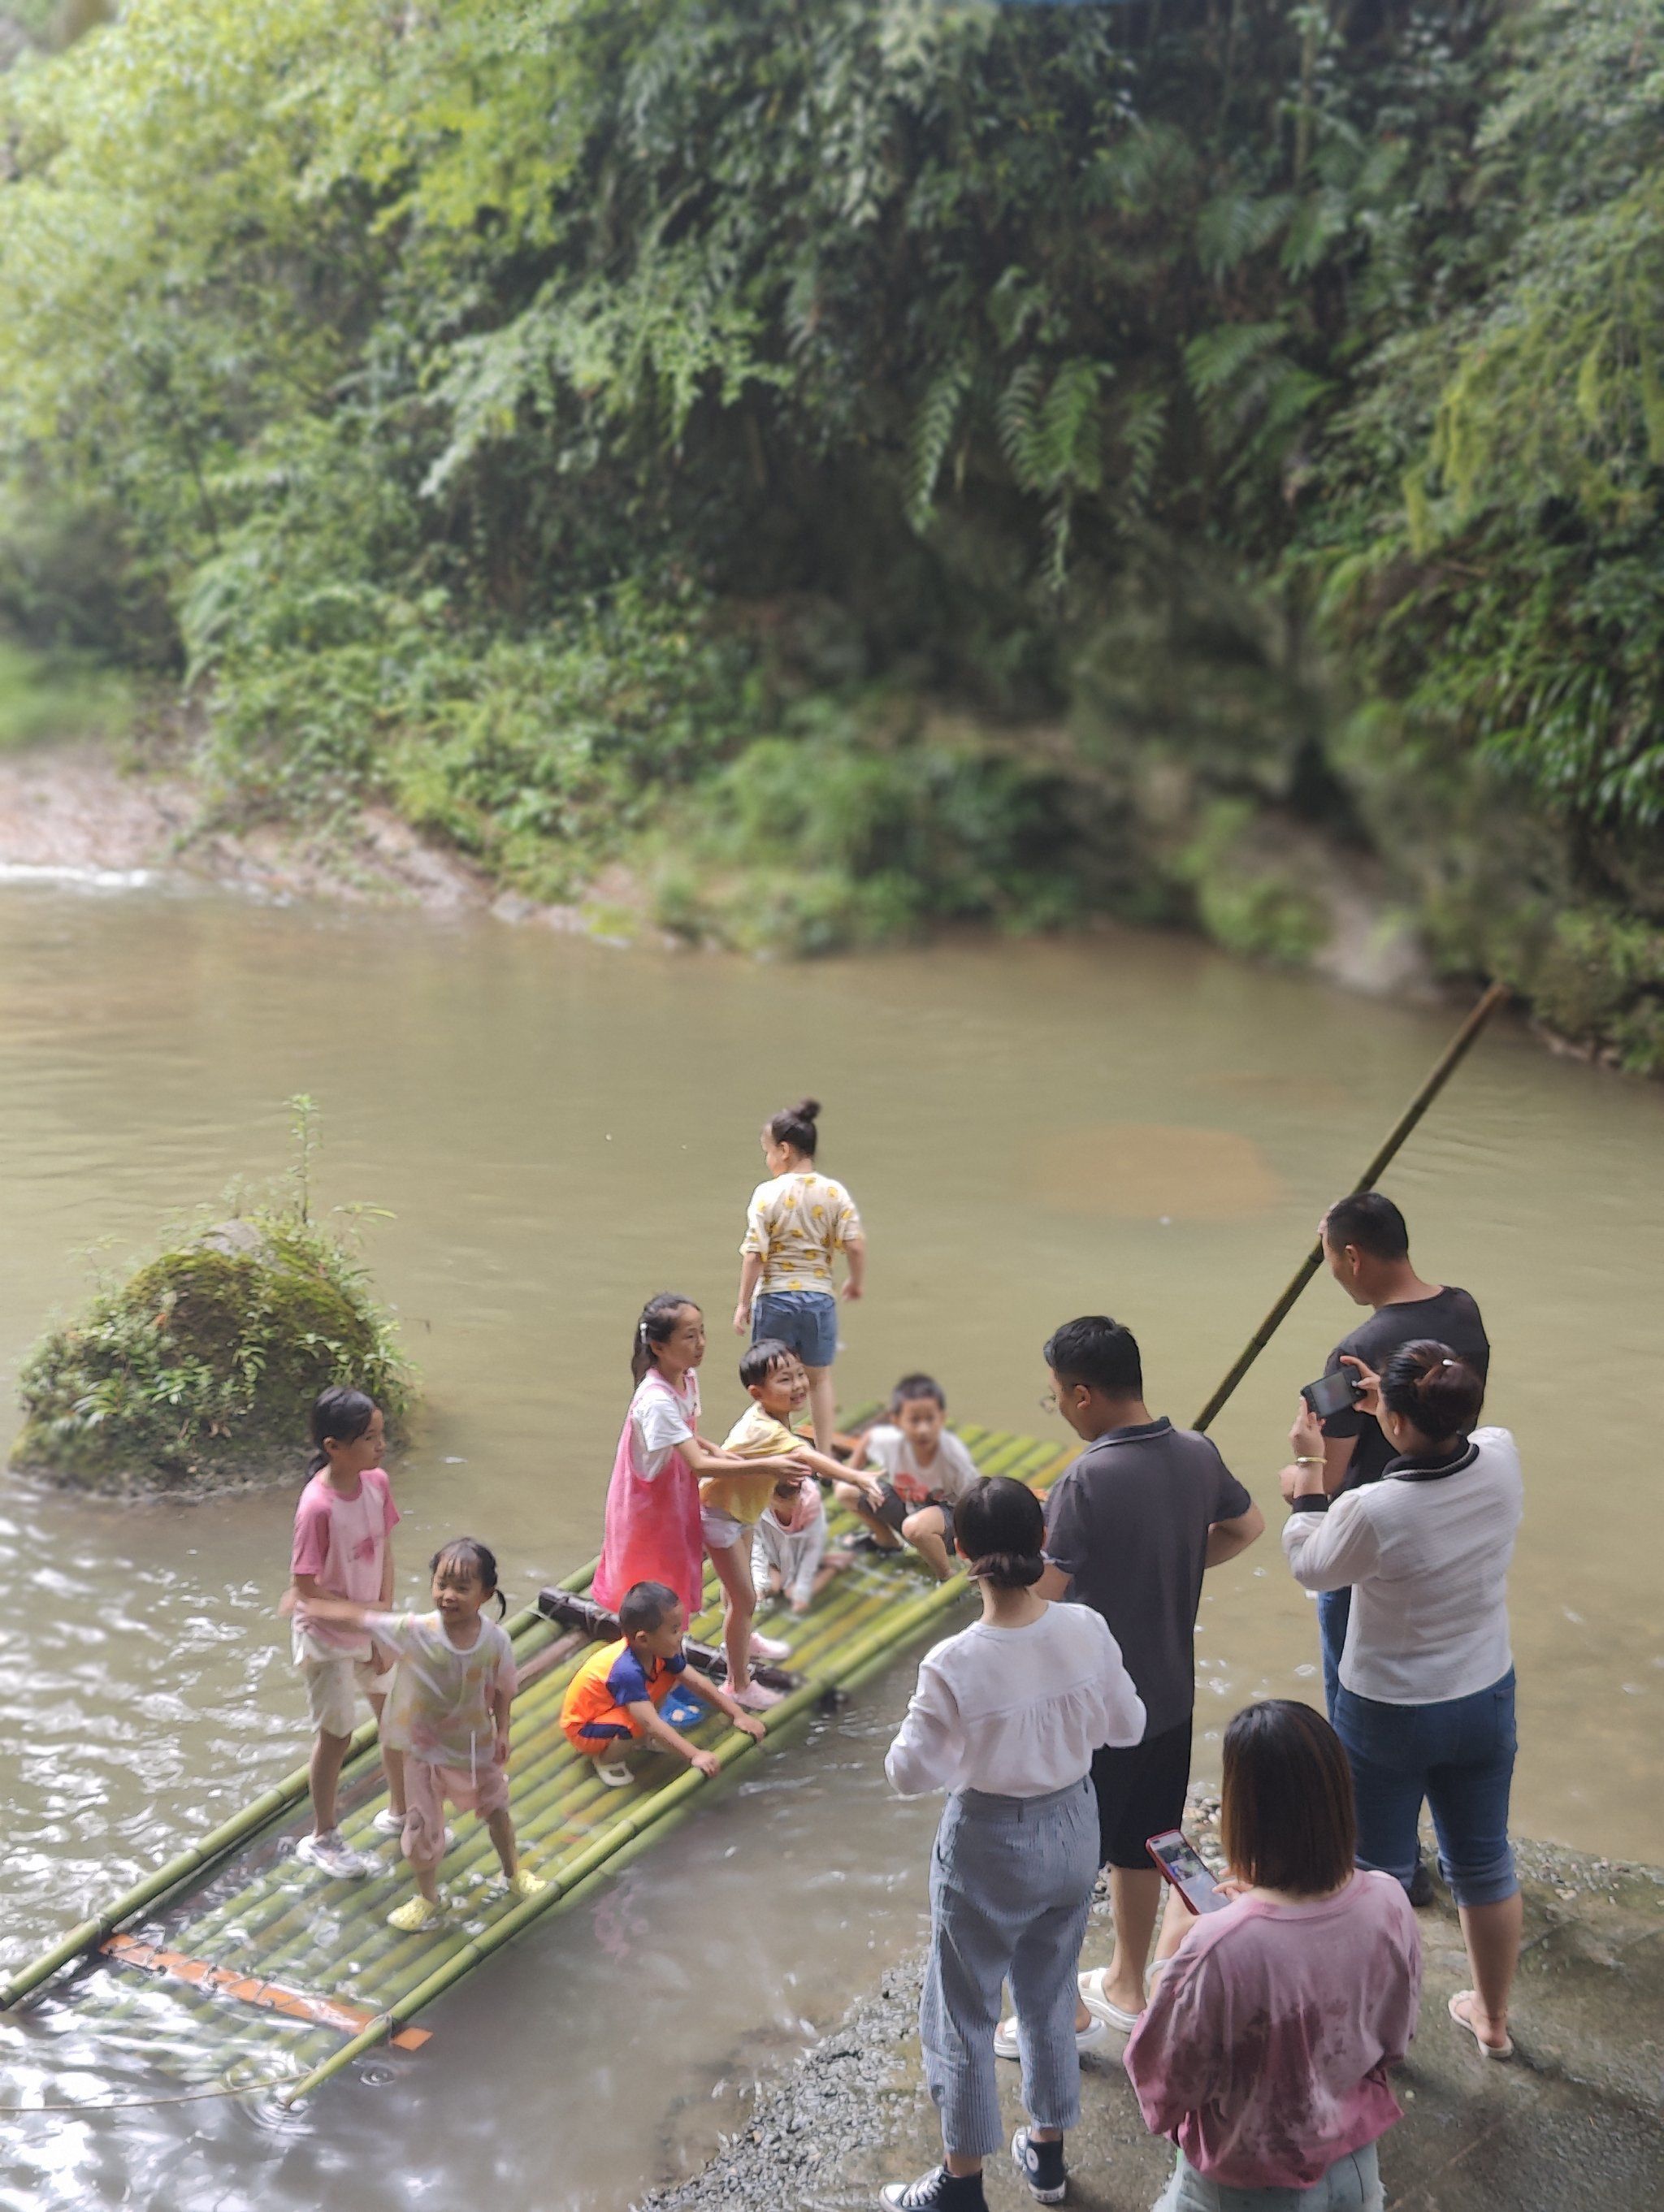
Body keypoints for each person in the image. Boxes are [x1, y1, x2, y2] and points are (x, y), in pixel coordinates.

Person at [881, 1477, 1146, 2212]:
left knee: (962, 2009)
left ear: (961, 1551)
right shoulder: (1086, 1626)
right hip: (1073, 1826)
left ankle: (961, 2184)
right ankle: (1048, 2160)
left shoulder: (954, 1660)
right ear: (1040, 1544)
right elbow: (1128, 1725)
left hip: (990, 1839)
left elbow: (908, 1773)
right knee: (1050, 1991)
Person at [1005, 1316, 1263, 2054]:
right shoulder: (1195, 1452)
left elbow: (1043, 1598)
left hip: (1097, 1711)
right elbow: (1247, 1526)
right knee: (1146, 1839)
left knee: (1067, 1858)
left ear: (1083, 1395)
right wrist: (1173, 1560)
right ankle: (1126, 1982)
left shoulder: (1086, 1477)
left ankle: (1064, 2012)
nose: (1059, 1405)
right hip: (1170, 1697)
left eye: (1056, 1396)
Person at [1281, 1341, 1523, 2060]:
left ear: (1392, 1422)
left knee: (1375, 1877)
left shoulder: (1373, 1506)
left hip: (1387, 1708)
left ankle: (1372, 2035)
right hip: (1483, 1692)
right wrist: (1391, 1402)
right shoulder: (1504, 1455)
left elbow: (1311, 1565)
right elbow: (1461, 1429)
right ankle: (1493, 2017)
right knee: (1484, 1862)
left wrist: (1310, 1476)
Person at [1124, 1700, 1421, 2211]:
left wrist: (1171, 1959)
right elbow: (1394, 2040)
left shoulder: (1218, 1948)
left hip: (1243, 2183)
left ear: (1245, 1813)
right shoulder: (1388, 1899)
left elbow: (1163, 2086)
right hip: (1354, 2165)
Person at [290, 1537, 547, 1932]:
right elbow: (361, 1619)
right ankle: (427, 1898)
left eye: (462, 1588)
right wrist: (311, 1606)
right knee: (422, 1826)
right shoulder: (416, 1630)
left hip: (474, 1746)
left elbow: (503, 1689)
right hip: (423, 1751)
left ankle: (513, 1873)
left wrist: (503, 1731)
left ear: (486, 1594)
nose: (448, 1596)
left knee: (496, 1809)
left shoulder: (496, 1640)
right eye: (442, 1584)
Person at [1311, 1192, 1491, 1731]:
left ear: (1354, 1257)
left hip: (1371, 1541)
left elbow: (1329, 1474)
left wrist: (1299, 1464)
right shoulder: (1464, 1309)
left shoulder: (1351, 1352)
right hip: (1450, 1521)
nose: (1335, 1272)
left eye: (1333, 1260)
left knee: (1354, 1703)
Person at [593, 1295, 808, 1708]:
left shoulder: (685, 1379)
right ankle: (670, 1681)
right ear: (658, 1346)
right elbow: (697, 1462)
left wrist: (726, 1453)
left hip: (674, 1494)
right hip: (649, 1509)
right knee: (660, 1596)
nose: (701, 1344)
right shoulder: (655, 1399)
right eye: (689, 1336)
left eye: (702, 1333)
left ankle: (740, 1638)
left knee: (720, 1585)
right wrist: (767, 1464)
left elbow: (690, 1436)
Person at [288, 1386, 406, 1881]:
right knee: (336, 1735)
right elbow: (305, 1588)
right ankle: (324, 1835)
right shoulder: (317, 1508)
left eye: (381, 1435)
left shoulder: (376, 1483)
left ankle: (403, 1812)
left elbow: (385, 1552)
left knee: (396, 1715)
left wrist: (382, 1620)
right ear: (334, 1446)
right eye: (369, 1438)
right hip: (327, 1636)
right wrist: (364, 1620)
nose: (380, 1447)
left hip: (369, 1626)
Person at [706, 1340, 876, 1648]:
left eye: (800, 1374)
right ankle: (736, 1664)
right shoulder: (765, 1429)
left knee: (736, 1587)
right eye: (785, 1380)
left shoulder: (771, 1415)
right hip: (720, 1515)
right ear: (757, 1393)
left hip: (740, 1511)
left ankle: (741, 1634)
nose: (799, 1385)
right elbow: (807, 1457)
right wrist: (856, 1476)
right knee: (743, 1594)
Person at [732, 1097, 865, 1454]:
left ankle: (779, 1454)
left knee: (773, 1380)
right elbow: (854, 1245)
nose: (767, 1159)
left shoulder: (767, 1193)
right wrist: (855, 1281)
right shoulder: (835, 1192)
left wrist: (742, 1303)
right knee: (819, 1380)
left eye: (768, 1151)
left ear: (785, 1150)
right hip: (819, 1299)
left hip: (775, 1298)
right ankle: (823, 1457)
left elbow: (755, 1253)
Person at [561, 1579, 768, 1786]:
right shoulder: (626, 1671)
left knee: (669, 1678)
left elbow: (697, 1682)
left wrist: (738, 1715)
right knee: (636, 1723)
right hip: (585, 1727)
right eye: (674, 1630)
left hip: (610, 1709)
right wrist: (694, 1755)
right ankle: (607, 1760)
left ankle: (640, 1740)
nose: (681, 1636)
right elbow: (649, 1722)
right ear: (643, 1639)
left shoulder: (660, 1651)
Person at [837, 1374, 982, 1580]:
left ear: (941, 1418)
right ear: (896, 1421)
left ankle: (945, 1574)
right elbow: (868, 1439)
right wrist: (859, 1477)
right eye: (914, 1420)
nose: (923, 1429)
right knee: (846, 1491)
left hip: (952, 1527)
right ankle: (886, 1541)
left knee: (915, 1527)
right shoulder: (889, 1442)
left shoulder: (952, 1459)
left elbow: (975, 1504)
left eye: (930, 1420)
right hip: (908, 1510)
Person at [752, 1473, 848, 1614]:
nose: (794, 1503)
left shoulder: (809, 1500)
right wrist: (758, 1585)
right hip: (772, 1557)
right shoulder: (757, 1502)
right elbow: (754, 1545)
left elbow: (813, 1546)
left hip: (800, 1555)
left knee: (793, 1594)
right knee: (771, 1587)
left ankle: (834, 1565)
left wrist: (802, 1590)